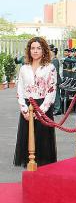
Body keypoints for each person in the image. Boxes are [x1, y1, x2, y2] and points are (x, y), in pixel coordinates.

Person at [14, 37, 58, 167]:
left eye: (38, 48)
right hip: (27, 107)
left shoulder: (50, 68)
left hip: (43, 107)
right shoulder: (24, 68)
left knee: (42, 140)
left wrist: (40, 111)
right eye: (33, 48)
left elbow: (52, 90)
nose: (35, 51)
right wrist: (24, 110)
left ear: (44, 50)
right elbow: (20, 90)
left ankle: (43, 169)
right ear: (29, 50)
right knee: (27, 138)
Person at [49, 45, 62, 115]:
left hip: (55, 80)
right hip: (53, 80)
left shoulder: (55, 60)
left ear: (53, 52)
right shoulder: (52, 60)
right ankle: (55, 108)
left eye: (50, 51)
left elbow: (55, 72)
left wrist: (53, 81)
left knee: (56, 95)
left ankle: (58, 109)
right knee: (54, 95)